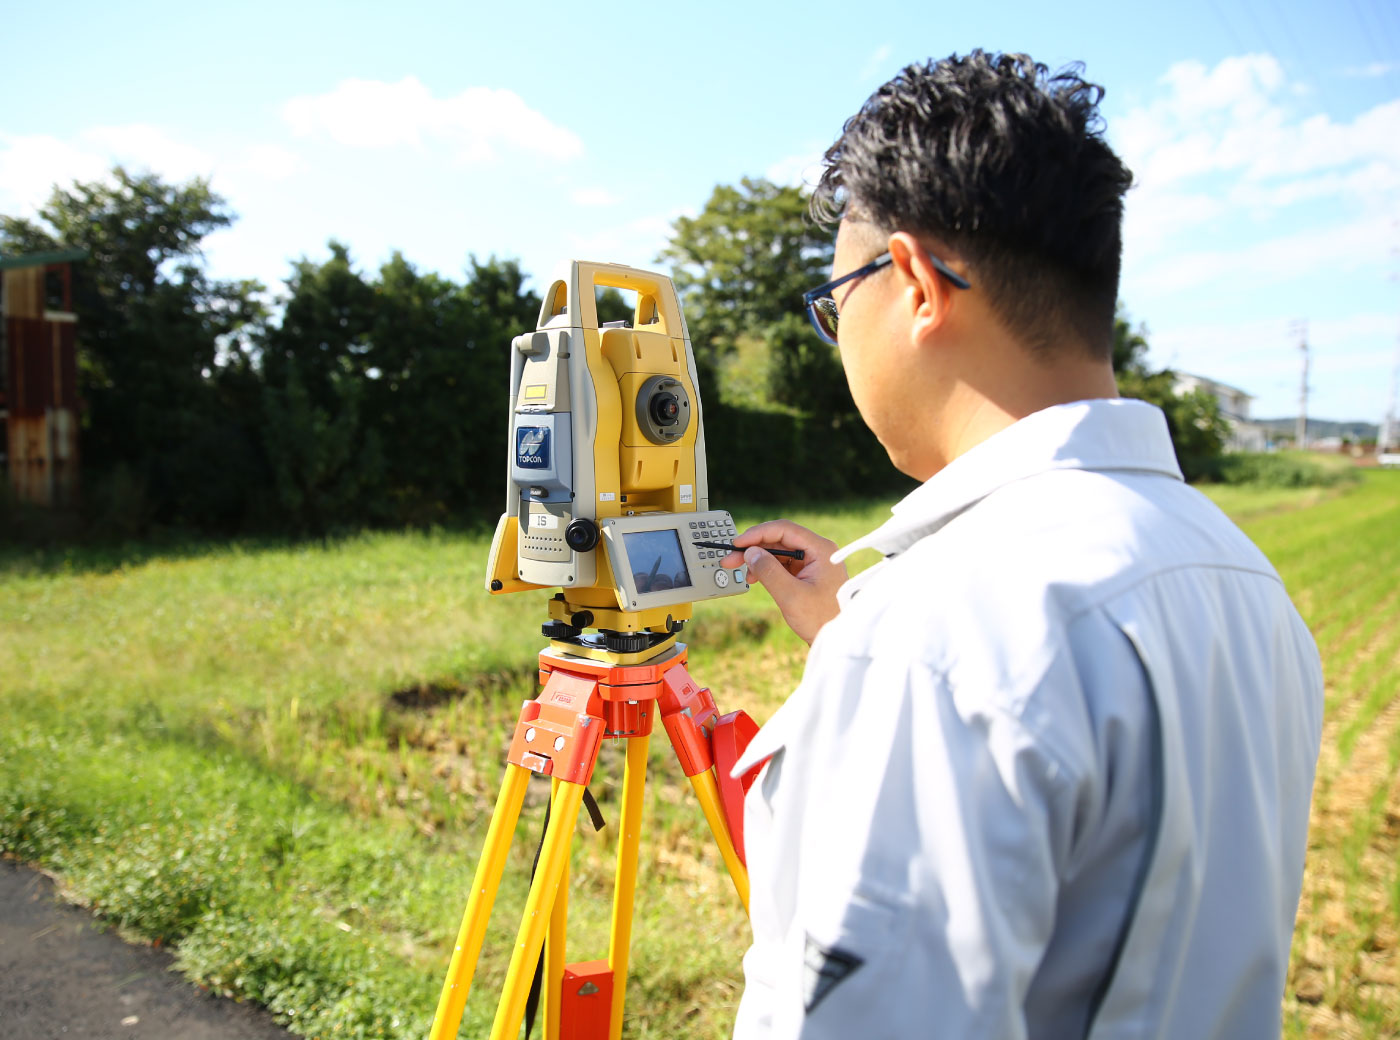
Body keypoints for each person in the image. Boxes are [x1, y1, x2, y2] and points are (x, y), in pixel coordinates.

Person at [719, 52, 1323, 1039]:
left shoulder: (939, 638)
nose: (839, 343)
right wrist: (855, 632)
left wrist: (890, 655)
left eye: (835, 305)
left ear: (912, 282)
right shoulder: (1242, 579)